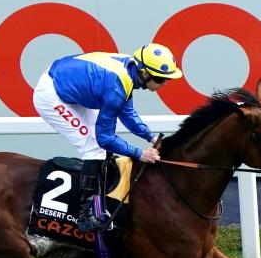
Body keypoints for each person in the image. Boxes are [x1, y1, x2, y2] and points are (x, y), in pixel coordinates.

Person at [33, 43, 182, 231]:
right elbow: (105, 139)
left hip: (67, 81)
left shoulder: (130, 73)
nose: (165, 83)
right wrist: (139, 153)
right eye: (161, 79)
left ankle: (102, 199)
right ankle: (85, 216)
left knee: (101, 147)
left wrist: (150, 137)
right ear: (145, 74)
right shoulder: (116, 88)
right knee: (94, 147)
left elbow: (127, 113)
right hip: (52, 94)